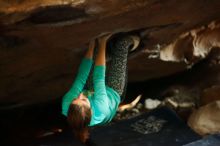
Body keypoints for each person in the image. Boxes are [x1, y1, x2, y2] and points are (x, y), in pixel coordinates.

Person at [61, 34, 139, 143]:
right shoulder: (100, 109)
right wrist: (103, 42)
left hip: (91, 88)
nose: (80, 95)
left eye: (75, 99)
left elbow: (81, 77)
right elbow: (99, 78)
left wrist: (91, 46)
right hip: (113, 92)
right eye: (83, 100)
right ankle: (136, 44)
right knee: (122, 43)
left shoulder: (66, 104)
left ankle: (107, 55)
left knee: (96, 51)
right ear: (91, 110)